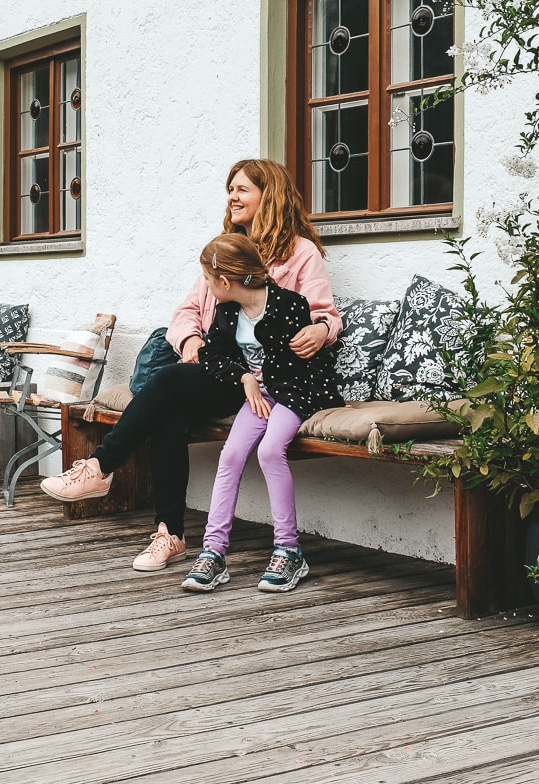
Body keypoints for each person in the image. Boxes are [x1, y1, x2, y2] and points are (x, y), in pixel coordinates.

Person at [39, 158, 343, 571]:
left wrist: (322, 331)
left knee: (167, 385)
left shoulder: (298, 253)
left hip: (267, 380)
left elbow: (325, 314)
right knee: (171, 412)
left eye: (242, 190)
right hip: (219, 368)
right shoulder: (224, 249)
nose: (232, 197)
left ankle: (102, 467)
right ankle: (170, 535)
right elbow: (185, 312)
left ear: (268, 196)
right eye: (230, 190)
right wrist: (193, 340)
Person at [181, 233, 343, 594]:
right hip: (262, 395)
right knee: (232, 454)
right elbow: (213, 356)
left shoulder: (290, 305)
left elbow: (303, 368)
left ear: (224, 282)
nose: (207, 288)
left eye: (208, 281)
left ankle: (289, 549)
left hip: (299, 392)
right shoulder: (226, 312)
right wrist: (244, 378)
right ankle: (213, 551)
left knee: (270, 451)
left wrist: (262, 381)